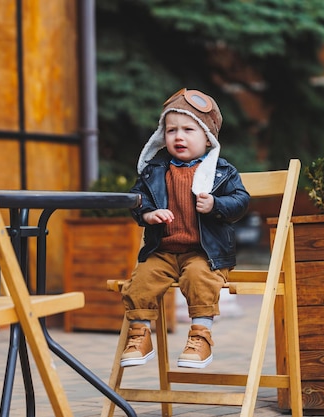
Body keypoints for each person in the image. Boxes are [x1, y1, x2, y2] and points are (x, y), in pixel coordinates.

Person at [120, 88, 250, 369]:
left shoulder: (222, 172)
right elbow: (136, 200)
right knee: (141, 279)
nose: (178, 136)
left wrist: (216, 203)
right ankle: (140, 334)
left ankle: (200, 337)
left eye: (189, 129)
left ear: (207, 136)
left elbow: (241, 202)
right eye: (171, 130)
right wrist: (148, 214)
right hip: (162, 251)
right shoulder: (155, 170)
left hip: (205, 253)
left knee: (199, 278)